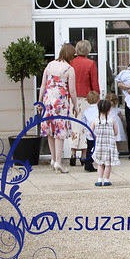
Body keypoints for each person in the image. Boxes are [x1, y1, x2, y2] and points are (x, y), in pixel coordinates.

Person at [38, 43, 78, 174]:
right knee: (59, 132)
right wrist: (75, 105)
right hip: (60, 102)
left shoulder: (50, 65)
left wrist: (40, 101)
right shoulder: (69, 69)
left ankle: (53, 159)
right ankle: (58, 162)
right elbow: (72, 90)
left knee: (50, 130)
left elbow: (43, 85)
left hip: (48, 101)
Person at [67, 40, 100, 166]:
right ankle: (84, 155)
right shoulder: (91, 63)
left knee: (74, 125)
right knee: (85, 125)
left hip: (72, 97)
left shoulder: (71, 63)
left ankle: (73, 152)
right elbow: (94, 82)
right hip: (86, 98)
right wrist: (97, 96)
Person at [91, 98, 120, 187]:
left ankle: (99, 180)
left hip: (99, 145)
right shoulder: (112, 120)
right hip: (109, 145)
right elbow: (116, 132)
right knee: (108, 164)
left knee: (100, 163)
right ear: (109, 109)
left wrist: (95, 137)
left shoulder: (96, 120)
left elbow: (90, 132)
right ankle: (106, 180)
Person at [81, 91, 100, 173]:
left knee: (89, 148)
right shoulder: (99, 110)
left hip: (89, 133)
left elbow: (83, 122)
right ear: (98, 99)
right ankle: (91, 163)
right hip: (98, 132)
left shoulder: (86, 111)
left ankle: (88, 163)